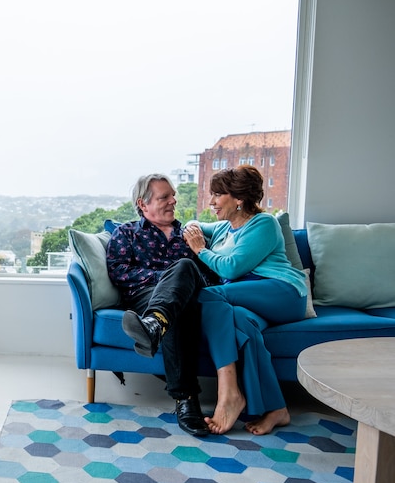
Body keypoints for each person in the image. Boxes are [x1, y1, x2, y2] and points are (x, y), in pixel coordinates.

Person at [183, 165, 307, 435]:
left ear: (238, 198)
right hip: (249, 301)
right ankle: (277, 409)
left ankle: (229, 393)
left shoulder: (263, 224)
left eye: (218, 195)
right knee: (241, 324)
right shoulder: (224, 228)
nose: (212, 202)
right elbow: (191, 225)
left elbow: (231, 268)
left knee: (206, 296)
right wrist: (191, 229)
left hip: (281, 292)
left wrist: (201, 250)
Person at [108, 174, 215, 437]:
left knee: (186, 269)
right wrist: (165, 278)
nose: (173, 201)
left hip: (188, 298)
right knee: (178, 302)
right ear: (143, 204)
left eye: (173, 195)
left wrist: (195, 256)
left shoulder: (190, 236)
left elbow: (212, 277)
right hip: (144, 296)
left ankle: (155, 325)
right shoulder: (127, 233)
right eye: (164, 197)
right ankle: (186, 400)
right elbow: (118, 271)